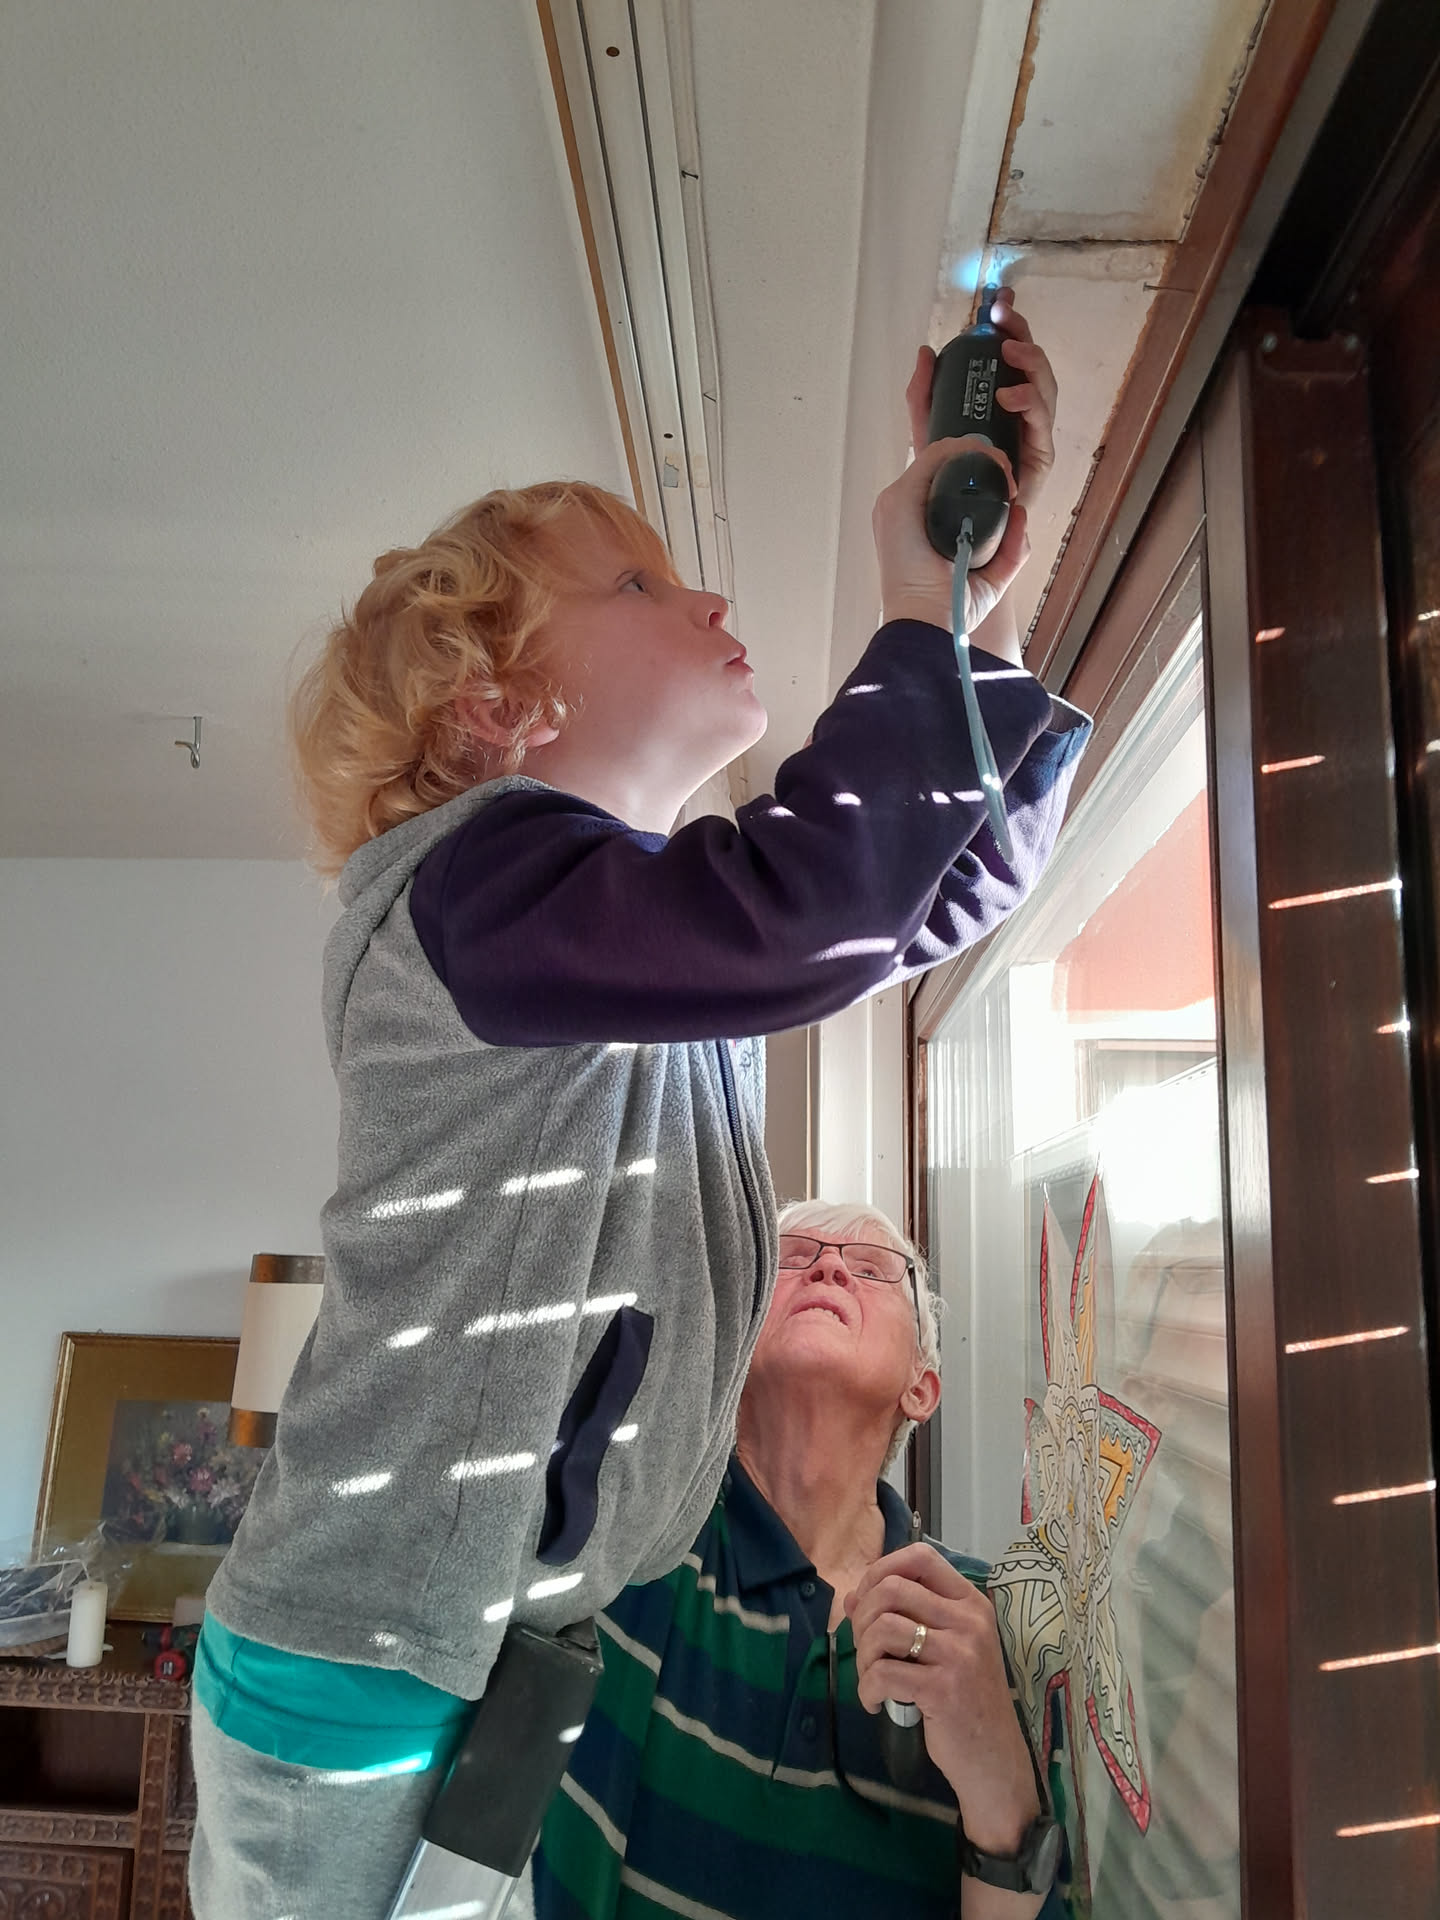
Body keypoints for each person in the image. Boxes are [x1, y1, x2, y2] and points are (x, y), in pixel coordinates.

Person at [187, 292, 1088, 1919]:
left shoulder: (617, 943)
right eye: (644, 585)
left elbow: (924, 901)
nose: (712, 597)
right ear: (494, 708)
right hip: (361, 1655)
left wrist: (976, 619)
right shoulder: (472, 890)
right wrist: (911, 612)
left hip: (472, 1644)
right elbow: (811, 907)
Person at [527, 1200, 1066, 1920]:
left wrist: (1001, 1793)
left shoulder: (989, 1621)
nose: (830, 1268)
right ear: (736, 1337)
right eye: (793, 1257)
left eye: (872, 1268)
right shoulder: (639, 1535)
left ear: (921, 1388)